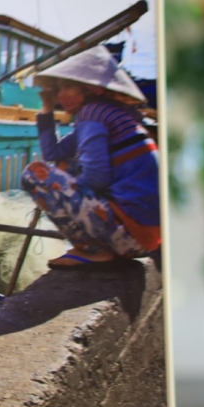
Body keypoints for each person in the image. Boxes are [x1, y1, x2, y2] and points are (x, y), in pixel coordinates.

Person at [20, 46, 161, 270]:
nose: (60, 95)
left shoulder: (92, 114)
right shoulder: (111, 112)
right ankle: (95, 243)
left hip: (130, 237)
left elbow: (96, 177)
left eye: (67, 87)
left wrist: (66, 197)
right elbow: (54, 153)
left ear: (90, 89)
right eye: (58, 89)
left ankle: (92, 249)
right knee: (64, 164)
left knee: (33, 173)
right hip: (146, 240)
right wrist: (46, 109)